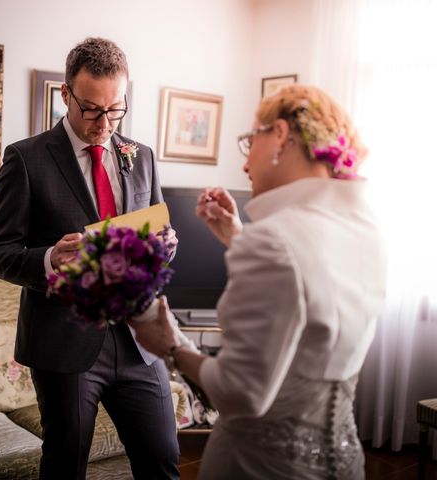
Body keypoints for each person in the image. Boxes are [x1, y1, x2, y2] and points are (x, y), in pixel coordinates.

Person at [130, 85, 388, 480]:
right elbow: (309, 290)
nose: (246, 164)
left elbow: (240, 393)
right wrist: (238, 236)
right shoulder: (365, 229)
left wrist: (172, 347)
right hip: (343, 461)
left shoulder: (275, 240)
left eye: (250, 140)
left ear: (280, 135)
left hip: (257, 465)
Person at [0, 37, 179, 479]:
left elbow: (157, 230)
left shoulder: (141, 156)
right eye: (92, 108)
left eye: (116, 109)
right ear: (66, 94)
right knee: (65, 466)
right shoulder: (26, 158)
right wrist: (51, 258)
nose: (105, 122)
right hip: (64, 343)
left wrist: (164, 247)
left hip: (138, 340)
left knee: (163, 461)